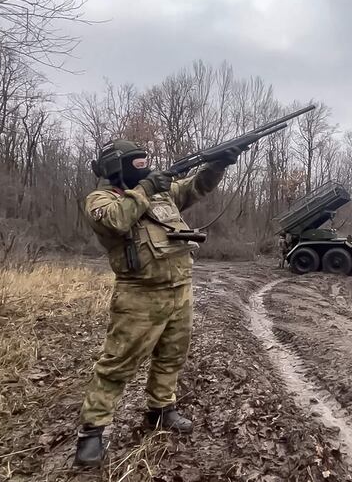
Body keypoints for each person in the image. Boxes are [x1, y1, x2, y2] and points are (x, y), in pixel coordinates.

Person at [74, 139, 239, 467]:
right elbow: (116, 221)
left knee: (172, 357)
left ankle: (161, 409)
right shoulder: (101, 200)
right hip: (139, 296)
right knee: (116, 365)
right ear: (115, 168)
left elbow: (195, 187)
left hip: (180, 290)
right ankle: (92, 432)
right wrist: (146, 188)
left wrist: (218, 165)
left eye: (145, 161)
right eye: (136, 162)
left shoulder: (163, 194)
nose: (144, 166)